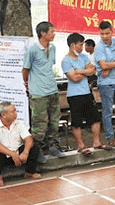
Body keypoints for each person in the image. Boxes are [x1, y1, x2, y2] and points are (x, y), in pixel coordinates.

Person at [23, 21, 63, 159]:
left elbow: (48, 67)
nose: (54, 34)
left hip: (52, 90)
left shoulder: (52, 48)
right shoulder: (32, 50)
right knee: (39, 123)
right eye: (51, 31)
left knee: (54, 120)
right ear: (43, 33)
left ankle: (52, 145)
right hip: (38, 93)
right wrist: (27, 84)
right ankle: (37, 149)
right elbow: (25, 69)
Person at [61, 33, 105, 154]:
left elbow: (92, 71)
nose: (82, 47)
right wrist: (85, 72)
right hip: (74, 95)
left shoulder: (84, 57)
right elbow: (73, 78)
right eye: (80, 45)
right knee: (77, 122)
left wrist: (79, 71)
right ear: (72, 45)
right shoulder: (66, 60)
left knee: (95, 118)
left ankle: (96, 142)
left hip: (86, 92)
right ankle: (81, 145)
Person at [0, 102, 41, 186]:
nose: (16, 113)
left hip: (18, 153)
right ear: (3, 115)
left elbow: (28, 138)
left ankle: (30, 171)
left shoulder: (18, 123)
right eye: (13, 111)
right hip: (4, 154)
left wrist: (25, 152)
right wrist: (12, 154)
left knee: (34, 147)